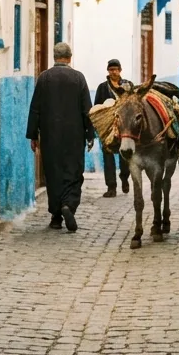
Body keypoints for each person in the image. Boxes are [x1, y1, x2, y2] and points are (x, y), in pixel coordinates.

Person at [26, 42, 95, 232]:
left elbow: (35, 109)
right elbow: (87, 110)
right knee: (73, 172)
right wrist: (90, 134)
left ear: (54, 57)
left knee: (53, 173)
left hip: (50, 136)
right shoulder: (78, 78)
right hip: (74, 136)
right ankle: (69, 205)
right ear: (70, 57)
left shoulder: (44, 78)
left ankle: (56, 216)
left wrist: (33, 135)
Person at [94, 58, 131, 197]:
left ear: (120, 70)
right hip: (108, 128)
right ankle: (111, 187)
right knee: (108, 157)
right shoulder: (102, 88)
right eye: (111, 70)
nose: (114, 72)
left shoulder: (127, 85)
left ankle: (125, 178)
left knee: (125, 156)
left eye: (116, 69)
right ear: (108, 71)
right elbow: (97, 107)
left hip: (124, 128)